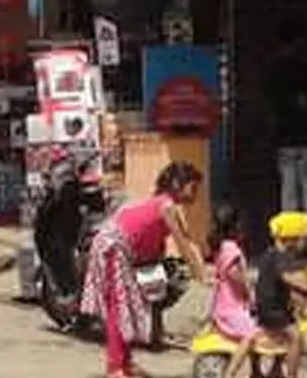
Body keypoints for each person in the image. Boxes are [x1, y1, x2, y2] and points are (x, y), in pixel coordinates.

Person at [80, 161, 211, 378]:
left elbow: (189, 242)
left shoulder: (170, 207)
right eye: (193, 186)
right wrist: (200, 275)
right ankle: (115, 368)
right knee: (119, 308)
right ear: (178, 184)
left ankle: (125, 363)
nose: (196, 193)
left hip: (128, 254)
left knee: (131, 308)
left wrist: (203, 272)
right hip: (114, 247)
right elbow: (183, 244)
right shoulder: (167, 206)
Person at [267, 25, 307, 253]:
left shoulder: (273, 71)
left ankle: (289, 246)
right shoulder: (305, 69)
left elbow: (270, 106)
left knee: (288, 195)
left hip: (284, 140)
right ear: (298, 41)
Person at [247, 212, 307, 378]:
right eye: (302, 239)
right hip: (272, 310)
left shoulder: (271, 253)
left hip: (273, 307)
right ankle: (292, 375)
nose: (304, 243)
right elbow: (287, 278)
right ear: (291, 238)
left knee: (289, 331)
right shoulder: (280, 256)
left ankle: (276, 370)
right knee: (296, 337)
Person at [208, 205, 259, 378]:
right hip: (230, 309)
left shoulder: (221, 246)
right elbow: (235, 275)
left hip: (227, 305)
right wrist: (250, 285)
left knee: (258, 326)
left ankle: (256, 371)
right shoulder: (231, 248)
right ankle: (230, 373)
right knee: (252, 334)